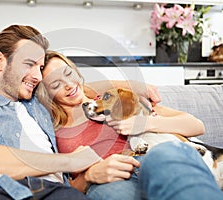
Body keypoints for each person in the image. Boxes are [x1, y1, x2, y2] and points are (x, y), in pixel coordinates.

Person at [0, 25, 161, 200]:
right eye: (29, 64)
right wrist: (69, 161)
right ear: (0, 61)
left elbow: (75, 86)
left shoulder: (39, 104)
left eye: (40, 68)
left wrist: (133, 85)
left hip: (58, 193)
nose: (38, 76)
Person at [36, 50, 223, 199]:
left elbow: (196, 125)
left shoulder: (118, 99)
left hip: (154, 159)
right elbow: (61, 187)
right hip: (109, 180)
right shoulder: (53, 128)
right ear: (47, 94)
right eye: (56, 84)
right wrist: (87, 178)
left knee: (167, 155)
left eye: (68, 74)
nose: (68, 85)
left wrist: (144, 122)